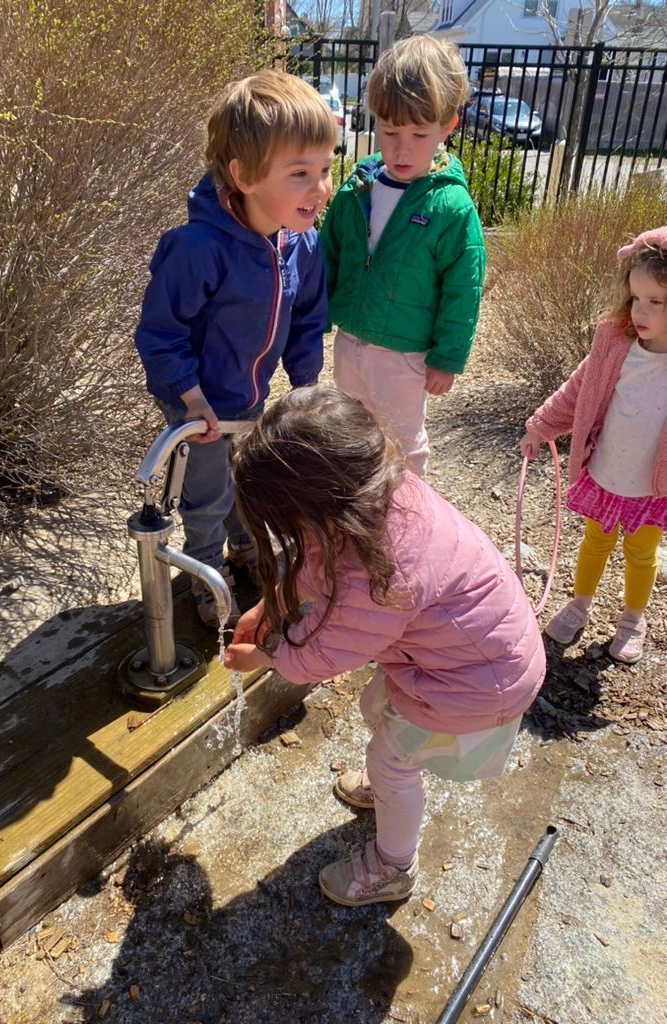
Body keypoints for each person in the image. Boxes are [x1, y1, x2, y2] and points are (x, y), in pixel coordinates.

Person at [224, 387, 545, 907]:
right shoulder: (380, 494)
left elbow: (323, 657)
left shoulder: (383, 577)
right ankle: (388, 784)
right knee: (377, 706)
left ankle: (393, 866)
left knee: (392, 755)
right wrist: (272, 607)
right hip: (468, 659)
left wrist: (267, 655)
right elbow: (316, 559)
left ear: (320, 505)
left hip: (478, 685)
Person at [134, 70, 336, 626]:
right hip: (195, 399)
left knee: (247, 478)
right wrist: (191, 399)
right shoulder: (198, 248)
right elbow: (160, 334)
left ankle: (245, 548)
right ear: (244, 174)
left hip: (249, 398)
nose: (319, 188)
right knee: (207, 492)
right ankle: (204, 572)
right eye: (299, 174)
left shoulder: (300, 242)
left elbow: (306, 318)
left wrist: (305, 385)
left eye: (324, 169)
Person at [319, 35, 486, 478]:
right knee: (353, 434)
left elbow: (463, 287)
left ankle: (410, 521)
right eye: (390, 131)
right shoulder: (359, 186)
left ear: (448, 125)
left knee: (403, 442)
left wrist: (448, 358)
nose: (401, 147)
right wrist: (314, 316)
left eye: (418, 134)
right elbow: (330, 253)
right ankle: (361, 510)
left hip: (403, 354)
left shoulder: (451, 206)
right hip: (350, 343)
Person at [520, 226, 667, 664]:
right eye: (635, 298)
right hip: (605, 472)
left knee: (641, 553)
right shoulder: (614, 342)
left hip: (651, 485)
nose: (639, 311)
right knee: (595, 542)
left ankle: (632, 619)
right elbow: (577, 390)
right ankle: (580, 603)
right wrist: (542, 425)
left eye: (655, 301)